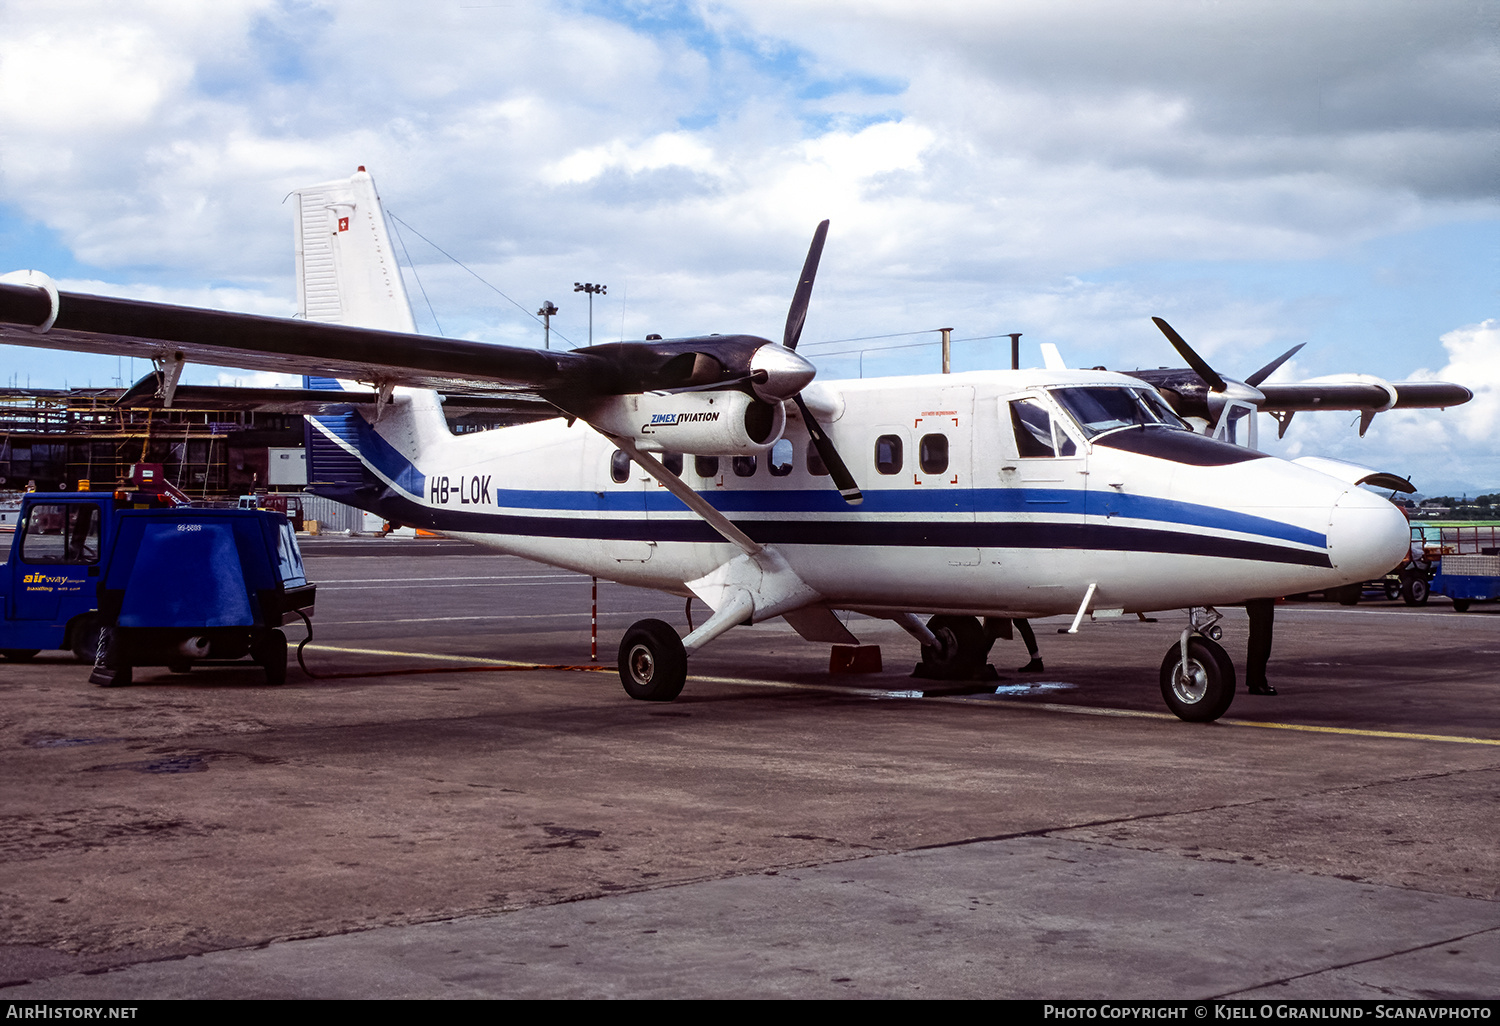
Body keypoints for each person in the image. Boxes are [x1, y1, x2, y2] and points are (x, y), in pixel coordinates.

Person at [1245, 598, 1276, 695]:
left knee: (1261, 634)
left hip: (1260, 596)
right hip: (1260, 597)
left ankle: (1256, 681)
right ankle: (1257, 682)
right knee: (1262, 635)